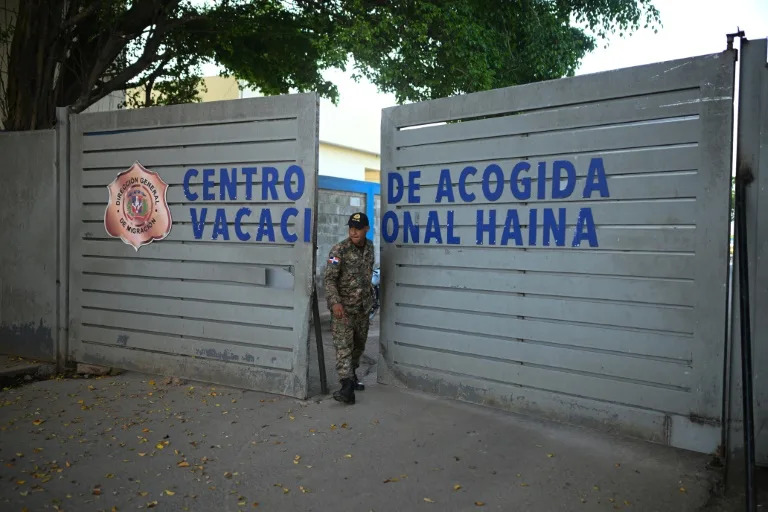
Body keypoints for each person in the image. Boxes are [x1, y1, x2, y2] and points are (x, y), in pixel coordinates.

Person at [324, 212, 375, 404]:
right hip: (342, 309)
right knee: (344, 347)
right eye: (351, 228)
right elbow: (329, 279)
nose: (353, 232)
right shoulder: (339, 250)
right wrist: (335, 302)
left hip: (362, 308)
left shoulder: (370, 247)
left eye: (358, 228)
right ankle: (346, 387)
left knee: (359, 345)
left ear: (366, 229)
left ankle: (351, 376)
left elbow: (368, 274)